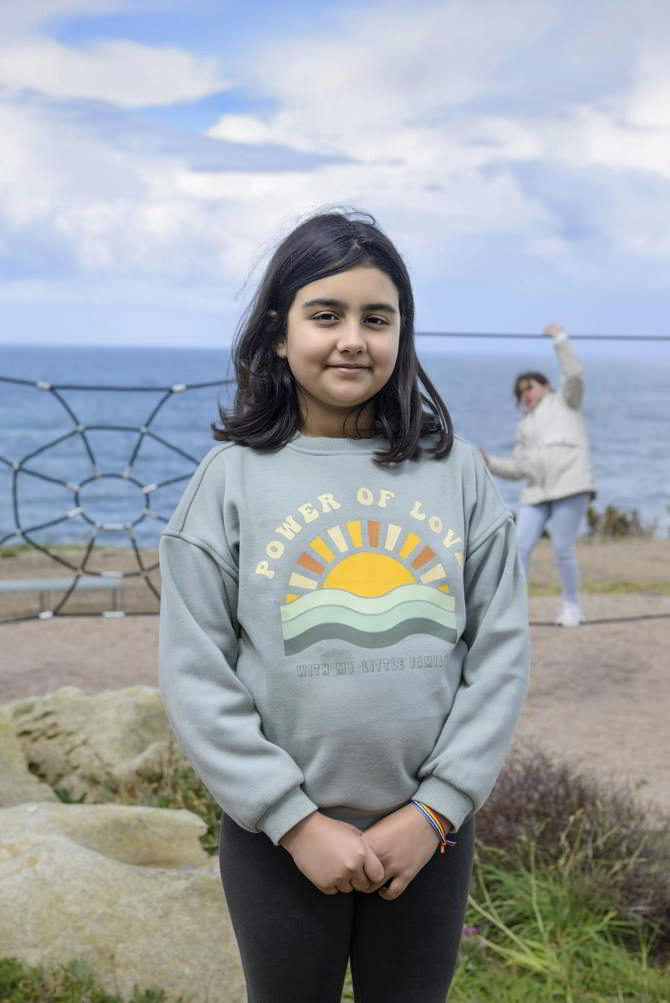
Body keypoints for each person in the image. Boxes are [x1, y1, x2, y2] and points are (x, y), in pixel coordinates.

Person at [158, 209, 530, 1003]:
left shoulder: (458, 473)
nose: (352, 338)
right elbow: (196, 673)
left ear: (404, 334)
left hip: (429, 834)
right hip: (277, 839)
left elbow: (499, 653)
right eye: (325, 315)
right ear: (279, 333)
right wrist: (293, 820)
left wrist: (435, 811)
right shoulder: (229, 480)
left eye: (377, 317)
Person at [481, 323, 596, 628]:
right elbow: (518, 469)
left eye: (530, 387)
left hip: (569, 488)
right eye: (522, 393)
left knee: (562, 549)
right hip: (536, 493)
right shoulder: (524, 426)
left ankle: (572, 607)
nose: (527, 395)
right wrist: (488, 461)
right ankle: (512, 611)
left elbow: (574, 374)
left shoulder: (566, 401)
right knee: (519, 547)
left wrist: (560, 340)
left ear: (545, 385)